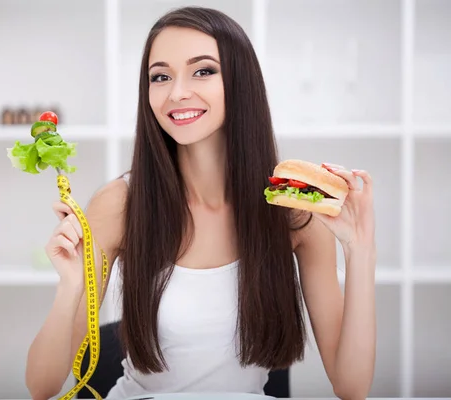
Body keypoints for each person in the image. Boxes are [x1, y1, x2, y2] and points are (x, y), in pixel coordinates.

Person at [25, 6, 377, 400]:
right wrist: (70, 285)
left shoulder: (292, 209)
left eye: (203, 70)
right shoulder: (119, 204)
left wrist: (359, 249)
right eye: (160, 76)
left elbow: (352, 387)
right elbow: (42, 386)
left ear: (240, 83)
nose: (177, 92)